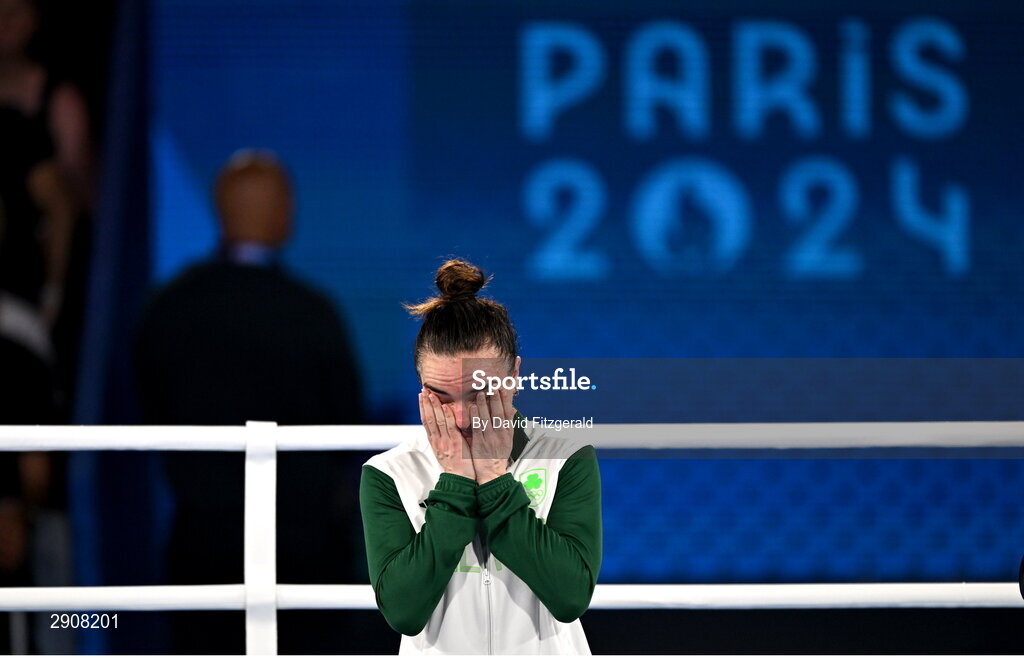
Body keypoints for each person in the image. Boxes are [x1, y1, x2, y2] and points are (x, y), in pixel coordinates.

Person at [135, 150, 364, 654]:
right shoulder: (312, 314)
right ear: (283, 213)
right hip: (306, 554)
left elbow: (147, 410)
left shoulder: (169, 308)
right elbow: (349, 421)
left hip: (201, 548)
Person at [360, 259, 602, 654]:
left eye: (480, 395)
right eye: (440, 396)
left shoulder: (566, 457)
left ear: (515, 376)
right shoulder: (388, 473)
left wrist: (493, 477)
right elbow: (404, 611)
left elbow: (570, 597)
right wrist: (454, 482)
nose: (459, 417)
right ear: (420, 385)